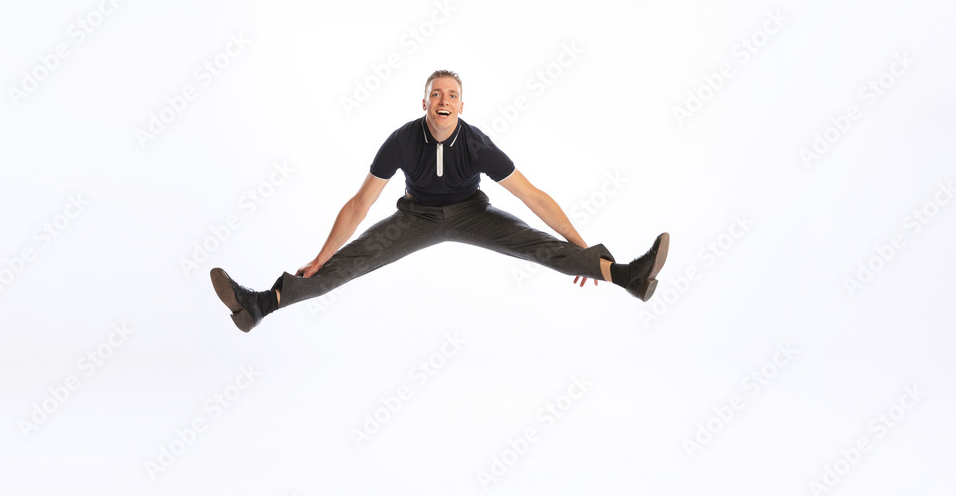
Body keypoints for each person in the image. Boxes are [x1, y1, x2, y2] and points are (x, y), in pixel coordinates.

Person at [211, 70, 668, 333]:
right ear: (425, 102)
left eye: (452, 94)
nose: (444, 99)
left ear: (461, 106)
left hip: (474, 215)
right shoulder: (402, 141)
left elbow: (533, 197)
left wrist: (581, 248)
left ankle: (626, 275)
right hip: (416, 219)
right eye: (436, 93)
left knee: (539, 246)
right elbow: (359, 204)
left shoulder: (479, 145)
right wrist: (321, 255)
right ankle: (261, 305)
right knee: (344, 266)